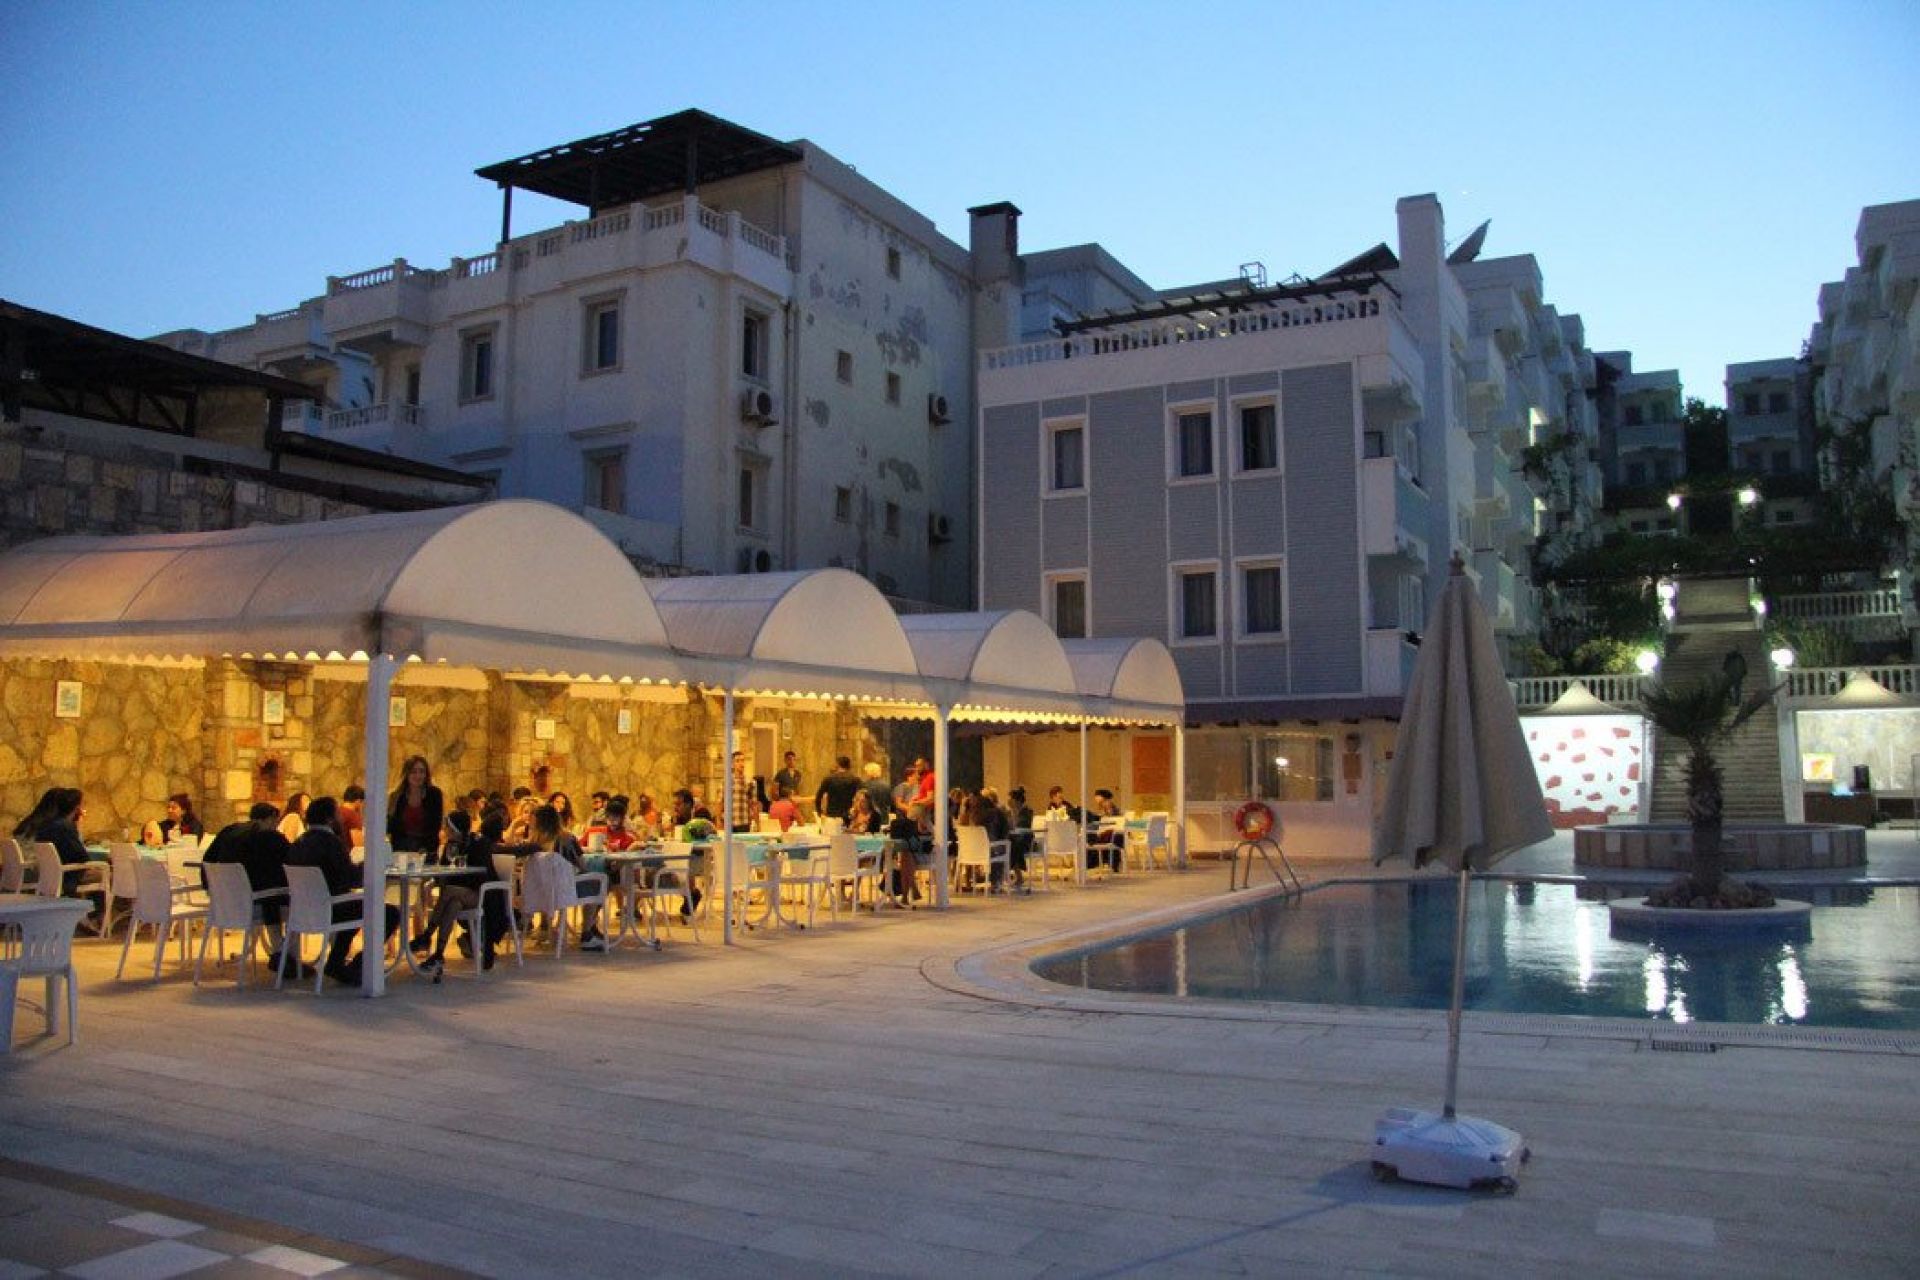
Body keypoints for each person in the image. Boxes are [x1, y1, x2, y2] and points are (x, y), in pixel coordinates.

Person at [285, 796, 400, 986]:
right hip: (331, 909)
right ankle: (359, 964)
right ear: (330, 819)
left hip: (303, 911)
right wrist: (367, 866)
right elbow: (351, 878)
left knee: (354, 907)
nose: (340, 818)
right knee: (389, 913)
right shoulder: (331, 843)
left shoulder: (298, 844)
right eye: (337, 813)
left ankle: (336, 962)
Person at [412, 805, 507, 974]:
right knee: (453, 904)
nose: (444, 830)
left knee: (449, 891)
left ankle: (427, 935)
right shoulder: (451, 845)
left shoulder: (478, 843)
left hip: (482, 893)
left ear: (454, 828)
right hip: (461, 894)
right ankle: (438, 954)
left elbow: (480, 874)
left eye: (447, 827)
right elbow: (443, 871)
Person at [201, 802, 292, 963]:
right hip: (252, 905)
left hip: (224, 905)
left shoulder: (228, 832)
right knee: (279, 891)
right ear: (271, 818)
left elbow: (208, 860)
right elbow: (292, 860)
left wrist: (211, 891)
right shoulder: (269, 837)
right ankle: (284, 953)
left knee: (266, 886)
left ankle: (278, 948)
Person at [23, 787, 100, 907]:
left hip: (47, 874)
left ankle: (84, 910)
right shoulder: (65, 827)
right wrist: (78, 826)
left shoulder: (44, 827)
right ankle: (97, 913)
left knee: (95, 870)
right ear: (76, 808)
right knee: (108, 874)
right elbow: (82, 856)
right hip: (65, 876)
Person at [387, 756, 444, 853]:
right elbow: (392, 827)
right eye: (413, 772)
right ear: (406, 774)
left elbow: (435, 826)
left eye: (422, 771)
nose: (418, 775)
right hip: (401, 849)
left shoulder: (434, 794)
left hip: (426, 849)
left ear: (426, 774)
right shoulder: (397, 796)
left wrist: (426, 848)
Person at [1086, 788, 1125, 873]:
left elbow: (1112, 823)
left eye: (1100, 801)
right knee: (1090, 835)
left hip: (1113, 835)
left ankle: (1091, 863)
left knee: (1090, 837)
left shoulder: (1112, 809)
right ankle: (1092, 863)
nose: (1097, 801)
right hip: (1108, 833)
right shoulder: (1105, 808)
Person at [815, 755, 861, 823]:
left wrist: (819, 811)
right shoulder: (856, 779)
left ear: (838, 765)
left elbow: (819, 796)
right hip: (849, 814)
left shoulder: (829, 779)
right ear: (849, 766)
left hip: (832, 814)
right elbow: (861, 797)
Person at [1006, 786, 1035, 891]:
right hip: (1015, 838)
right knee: (1009, 844)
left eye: (1010, 799)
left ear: (1016, 800)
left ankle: (1017, 876)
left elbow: (1021, 826)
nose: (1009, 801)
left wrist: (1013, 815)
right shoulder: (1010, 811)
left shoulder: (1027, 811)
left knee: (1013, 846)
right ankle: (1015, 875)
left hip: (1025, 839)